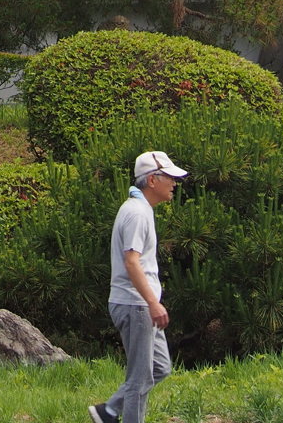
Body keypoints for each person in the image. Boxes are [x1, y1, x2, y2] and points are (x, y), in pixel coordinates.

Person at [88, 149, 188, 423]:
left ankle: (108, 410)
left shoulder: (141, 209)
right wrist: (153, 302)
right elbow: (131, 262)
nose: (174, 183)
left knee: (159, 368)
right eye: (169, 177)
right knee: (140, 379)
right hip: (136, 304)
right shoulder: (136, 213)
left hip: (140, 304)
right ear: (152, 180)